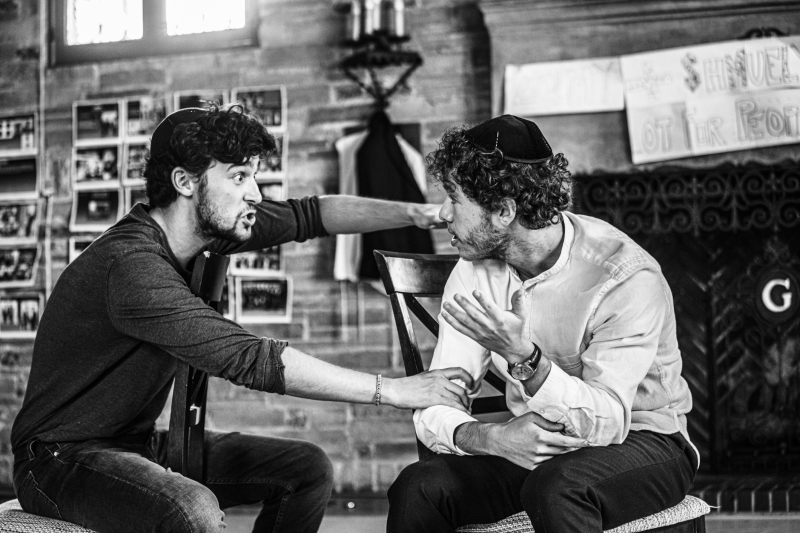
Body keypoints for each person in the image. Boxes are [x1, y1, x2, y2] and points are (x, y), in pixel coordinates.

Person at [10, 104, 475, 533]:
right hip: (58, 459)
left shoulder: (209, 231)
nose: (255, 193)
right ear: (185, 182)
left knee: (306, 470)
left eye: (253, 175)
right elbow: (250, 358)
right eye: (238, 177)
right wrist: (393, 390)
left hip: (135, 442)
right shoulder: (131, 266)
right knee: (191, 510)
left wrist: (418, 214)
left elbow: (311, 215)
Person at [386, 115, 698, 533]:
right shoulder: (474, 270)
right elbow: (437, 398)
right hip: (534, 447)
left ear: (504, 210)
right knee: (419, 487)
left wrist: (525, 358)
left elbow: (607, 423)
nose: (442, 213)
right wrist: (491, 438)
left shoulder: (623, 276)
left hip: (645, 441)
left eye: (454, 198)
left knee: (557, 488)